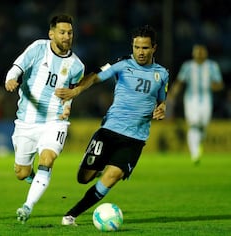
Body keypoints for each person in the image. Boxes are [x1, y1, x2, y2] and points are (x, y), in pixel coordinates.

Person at [54, 25, 168, 226]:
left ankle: (71, 215)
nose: (140, 52)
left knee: (113, 175)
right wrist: (77, 91)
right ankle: (95, 167)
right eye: (136, 47)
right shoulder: (122, 64)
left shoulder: (162, 74)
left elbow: (161, 101)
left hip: (136, 138)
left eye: (145, 48)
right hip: (109, 131)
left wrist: (161, 108)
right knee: (84, 178)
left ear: (154, 48)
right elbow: (96, 76)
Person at [5, 14, 85, 224]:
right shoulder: (38, 48)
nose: (67, 36)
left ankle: (27, 206)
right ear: (51, 34)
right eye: (62, 32)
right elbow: (16, 67)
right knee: (21, 173)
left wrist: (67, 107)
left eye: (69, 32)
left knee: (47, 159)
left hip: (54, 121)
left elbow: (71, 93)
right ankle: (33, 178)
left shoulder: (77, 66)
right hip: (26, 122)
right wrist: (11, 79)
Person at [168, 44, 223, 164]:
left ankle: (198, 144)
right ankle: (195, 154)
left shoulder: (212, 66)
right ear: (193, 54)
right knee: (194, 123)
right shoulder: (187, 66)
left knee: (203, 125)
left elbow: (220, 84)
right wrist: (172, 94)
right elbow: (180, 81)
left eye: (201, 52)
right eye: (197, 52)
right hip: (191, 99)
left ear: (206, 54)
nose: (199, 54)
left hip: (207, 99)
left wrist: (216, 86)